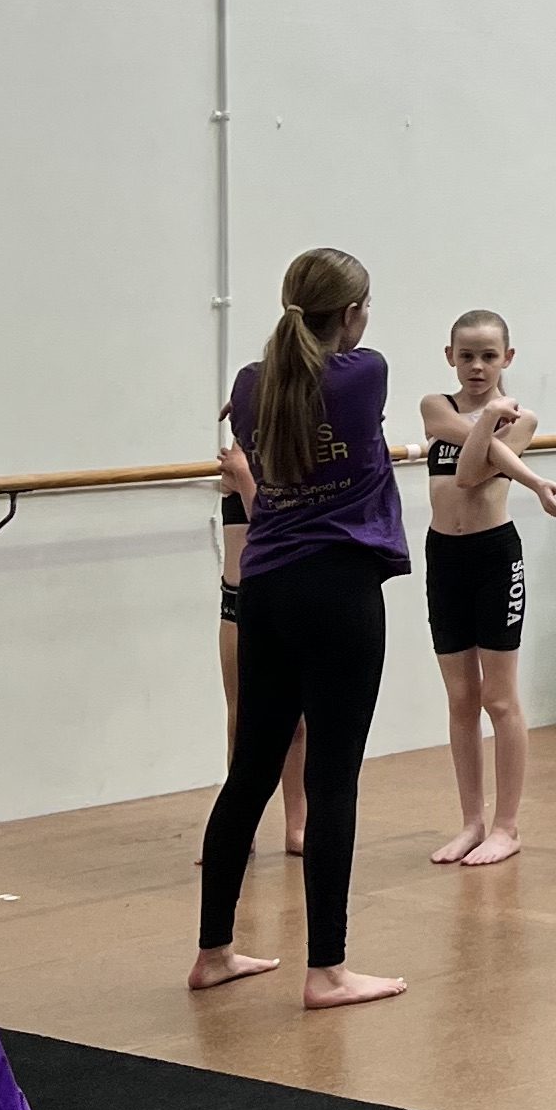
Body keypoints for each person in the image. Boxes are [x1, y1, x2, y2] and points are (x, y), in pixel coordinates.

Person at [189, 246, 410, 1014]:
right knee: (332, 778)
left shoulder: (253, 383)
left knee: (251, 770)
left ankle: (213, 951)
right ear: (351, 314)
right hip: (339, 589)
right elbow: (331, 380)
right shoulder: (365, 372)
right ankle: (328, 971)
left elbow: (274, 383)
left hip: (267, 591)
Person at [420, 307, 556, 870]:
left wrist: (492, 425)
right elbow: (474, 448)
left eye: (489, 356)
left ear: (508, 358)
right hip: (444, 558)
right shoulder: (435, 407)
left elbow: (468, 474)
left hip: (493, 558)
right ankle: (471, 822)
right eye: (466, 356)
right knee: (461, 697)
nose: (477, 366)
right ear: (450, 357)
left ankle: (507, 826)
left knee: (499, 698)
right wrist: (530, 477)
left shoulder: (522, 420)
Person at [213, 430, 304, 860]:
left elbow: (271, 527)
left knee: (296, 722)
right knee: (240, 716)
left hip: (284, 596)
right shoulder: (238, 458)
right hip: (238, 601)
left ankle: (297, 824)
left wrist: (246, 477)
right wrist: (240, 471)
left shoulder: (291, 464)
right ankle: (239, 826)